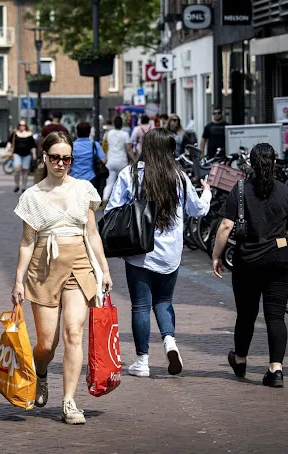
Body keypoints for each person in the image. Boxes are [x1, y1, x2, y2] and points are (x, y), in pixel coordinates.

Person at [12, 131, 112, 425]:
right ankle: (41, 374)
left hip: (79, 266)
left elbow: (92, 233)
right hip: (44, 268)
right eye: (55, 157)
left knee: (73, 333)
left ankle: (69, 401)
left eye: (67, 158)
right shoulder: (32, 196)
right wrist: (18, 281)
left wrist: (104, 270)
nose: (61, 163)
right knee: (46, 343)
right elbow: (27, 242)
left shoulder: (84, 189)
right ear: (44, 157)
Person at [105, 128, 211, 377]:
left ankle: (142, 361)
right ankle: (169, 342)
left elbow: (112, 209)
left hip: (139, 252)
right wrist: (206, 191)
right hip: (170, 254)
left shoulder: (130, 174)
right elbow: (197, 210)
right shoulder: (178, 176)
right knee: (163, 301)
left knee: (141, 306)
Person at [212, 143, 288, 388]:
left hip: (248, 261)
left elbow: (225, 227)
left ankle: (240, 360)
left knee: (246, 315)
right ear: (274, 163)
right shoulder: (285, 192)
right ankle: (276, 370)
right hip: (280, 261)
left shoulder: (239, 190)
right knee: (275, 316)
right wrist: (287, 253)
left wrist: (216, 255)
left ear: (250, 164)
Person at [103, 115, 134, 202]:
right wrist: (134, 159)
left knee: (109, 183)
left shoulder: (108, 133)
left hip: (111, 161)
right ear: (122, 124)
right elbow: (128, 149)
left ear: (113, 124)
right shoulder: (125, 134)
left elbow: (105, 146)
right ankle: (123, 200)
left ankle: (105, 199)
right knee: (124, 183)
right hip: (122, 162)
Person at [69, 122, 106, 193]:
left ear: (77, 132)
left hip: (74, 179)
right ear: (89, 132)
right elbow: (104, 160)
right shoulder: (95, 145)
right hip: (91, 179)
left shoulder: (71, 146)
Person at [5, 121, 36, 193]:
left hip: (27, 155)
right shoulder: (15, 133)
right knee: (17, 169)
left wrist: (34, 154)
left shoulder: (29, 134)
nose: (22, 126)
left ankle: (24, 186)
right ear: (18, 125)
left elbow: (33, 145)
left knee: (25, 171)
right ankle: (17, 185)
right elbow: (9, 142)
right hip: (17, 154)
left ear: (26, 126)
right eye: (20, 125)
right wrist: (6, 151)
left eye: (23, 125)